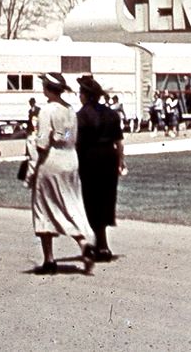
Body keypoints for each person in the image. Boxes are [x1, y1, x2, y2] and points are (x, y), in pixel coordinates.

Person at [28, 72, 95, 275]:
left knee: (43, 207)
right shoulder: (70, 110)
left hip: (52, 160)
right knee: (69, 202)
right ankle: (82, 242)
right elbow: (68, 134)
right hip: (70, 158)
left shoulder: (46, 110)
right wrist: (60, 136)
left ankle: (49, 258)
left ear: (48, 88)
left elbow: (42, 143)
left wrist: (35, 141)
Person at [76, 75, 125, 262]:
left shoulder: (81, 116)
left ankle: (102, 245)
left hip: (90, 158)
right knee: (106, 199)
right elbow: (119, 142)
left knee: (92, 201)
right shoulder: (112, 114)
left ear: (85, 95)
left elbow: (71, 137)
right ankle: (101, 243)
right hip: (109, 157)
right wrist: (121, 162)